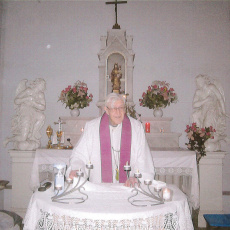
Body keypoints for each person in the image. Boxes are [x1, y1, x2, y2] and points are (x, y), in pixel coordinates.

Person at [67, 93, 154, 187]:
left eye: (121, 108)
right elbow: (80, 156)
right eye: (114, 108)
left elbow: (143, 159)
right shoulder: (92, 127)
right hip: (99, 188)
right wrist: (77, 169)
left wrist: (136, 177)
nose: (118, 112)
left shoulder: (136, 127)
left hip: (128, 188)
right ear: (106, 110)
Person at [4, 78, 46, 150]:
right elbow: (16, 101)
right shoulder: (28, 91)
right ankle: (8, 139)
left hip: (33, 111)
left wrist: (34, 103)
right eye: (43, 84)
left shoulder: (40, 95)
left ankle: (33, 135)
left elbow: (43, 107)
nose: (44, 87)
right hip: (25, 112)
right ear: (38, 84)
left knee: (42, 116)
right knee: (23, 138)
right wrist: (26, 98)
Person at [191, 74, 227, 151]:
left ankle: (223, 137)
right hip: (204, 111)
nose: (197, 83)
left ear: (204, 81)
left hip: (212, 111)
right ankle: (223, 137)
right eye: (197, 82)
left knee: (208, 132)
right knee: (195, 118)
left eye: (199, 81)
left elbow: (220, 98)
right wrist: (205, 100)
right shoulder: (198, 92)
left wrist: (223, 111)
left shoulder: (211, 87)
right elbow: (194, 104)